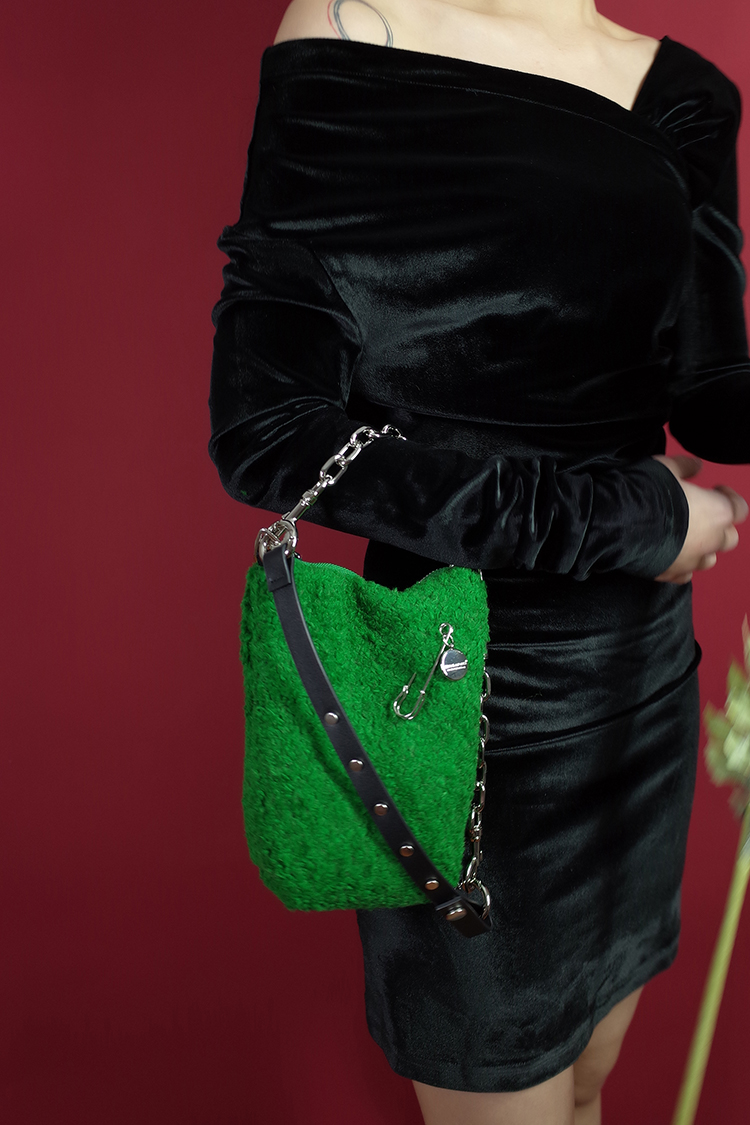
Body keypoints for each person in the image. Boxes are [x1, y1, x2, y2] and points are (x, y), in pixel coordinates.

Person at [208, 1, 750, 1121]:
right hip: (456, 699)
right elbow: (271, 431)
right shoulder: (360, 25)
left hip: (642, 685)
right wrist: (633, 521)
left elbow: (708, 389)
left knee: (590, 1084)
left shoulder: (684, 92)